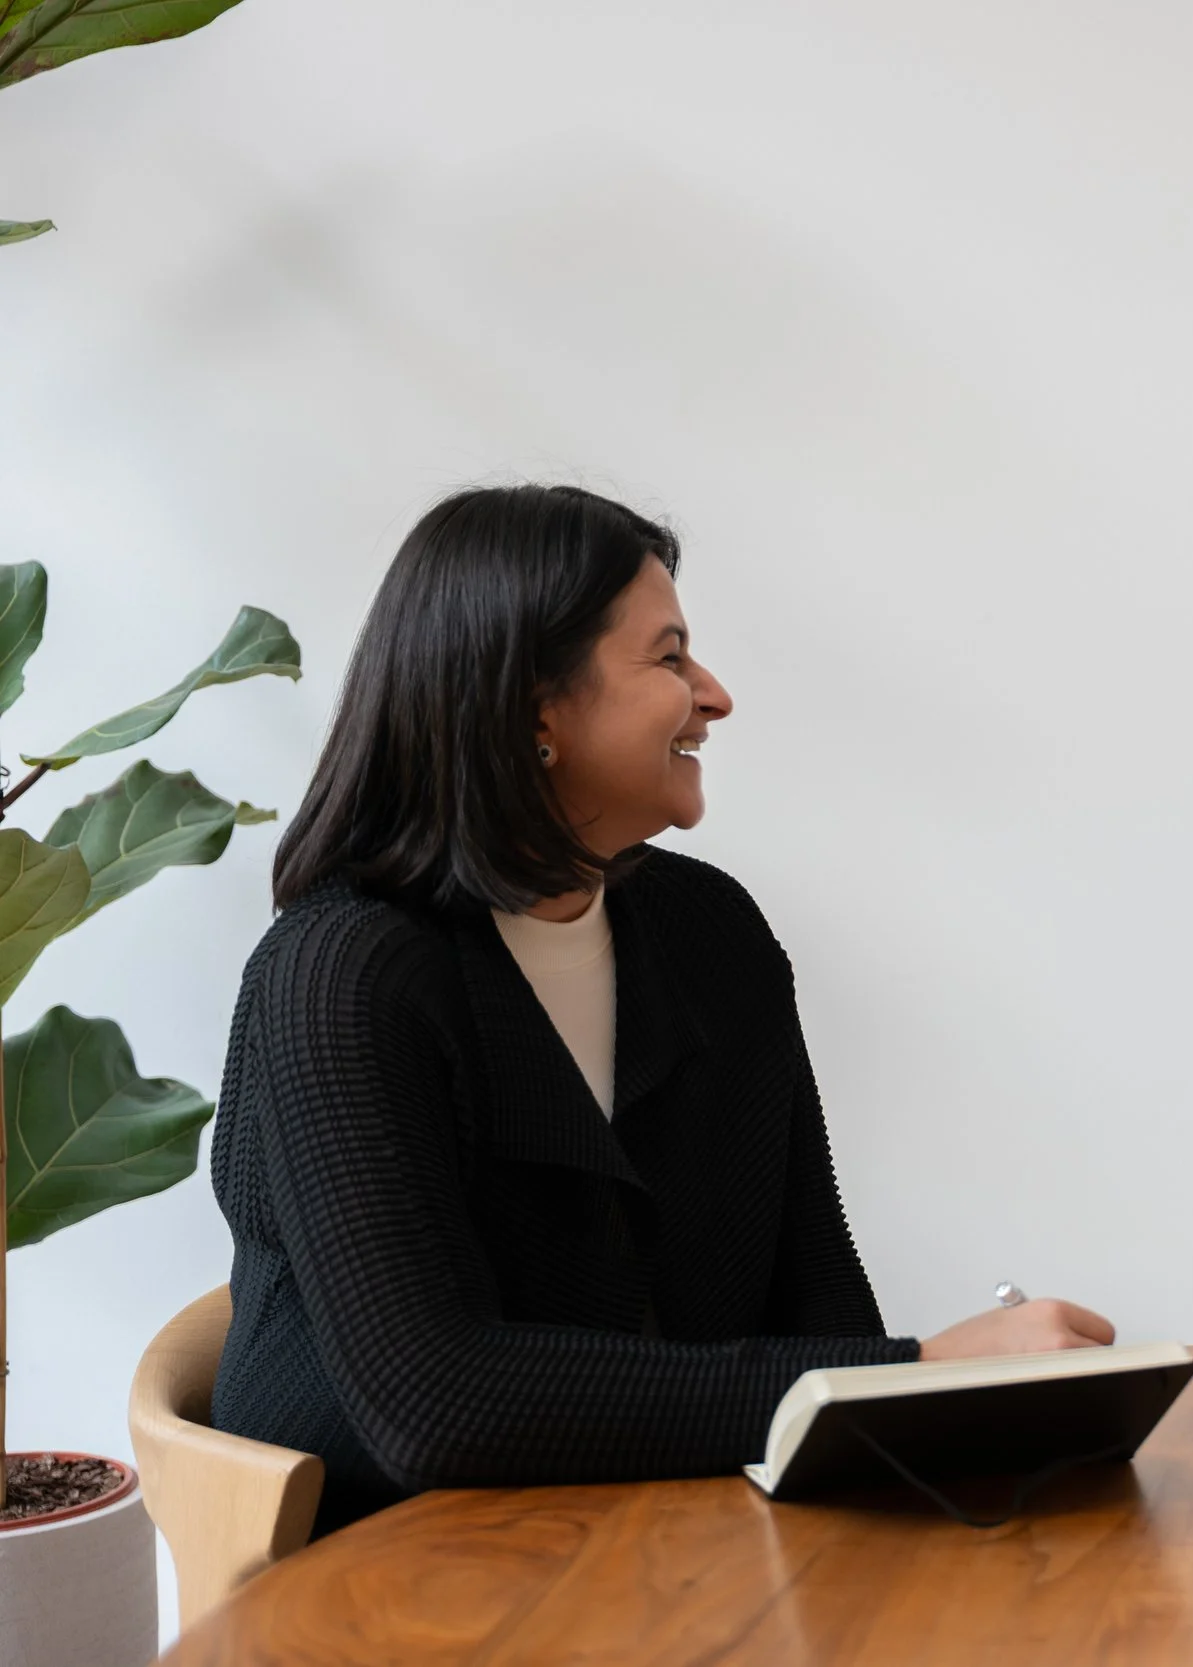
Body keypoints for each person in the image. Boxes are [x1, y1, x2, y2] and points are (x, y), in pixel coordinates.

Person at [213, 484, 1112, 1534]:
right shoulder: (340, 976)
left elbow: (813, 1294)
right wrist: (908, 1372)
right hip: (393, 1576)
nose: (715, 695)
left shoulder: (711, 933)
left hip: (669, 1537)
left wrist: (950, 1413)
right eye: (669, 657)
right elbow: (437, 1402)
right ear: (532, 706)